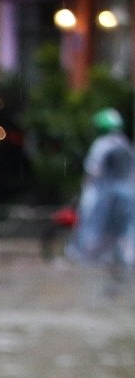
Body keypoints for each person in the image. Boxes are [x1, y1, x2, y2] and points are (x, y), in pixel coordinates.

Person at [69, 107, 135, 291]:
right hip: (128, 194)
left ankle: (93, 259)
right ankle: (126, 262)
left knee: (97, 228)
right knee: (125, 231)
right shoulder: (124, 143)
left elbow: (93, 171)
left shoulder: (102, 145)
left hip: (105, 196)